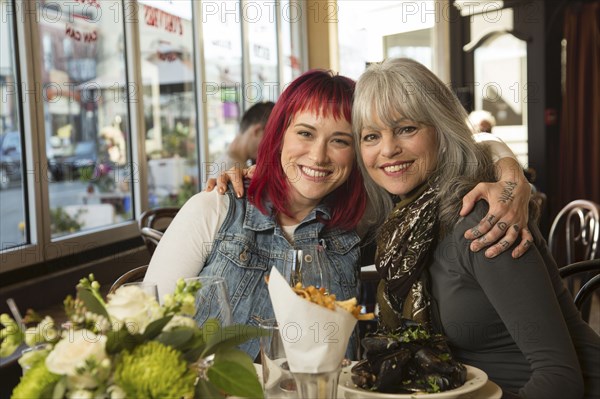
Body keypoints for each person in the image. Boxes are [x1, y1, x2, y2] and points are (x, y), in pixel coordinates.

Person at [352, 58, 600, 398]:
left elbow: (560, 379)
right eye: (371, 136)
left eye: (407, 128)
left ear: (441, 129)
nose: (388, 149)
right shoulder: (401, 226)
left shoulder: (480, 218)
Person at [146, 70, 366, 359]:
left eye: (340, 141)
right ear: (279, 136)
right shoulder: (215, 208)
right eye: (305, 133)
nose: (318, 155)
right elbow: (145, 329)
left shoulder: (356, 232)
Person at [204, 101, 275, 181]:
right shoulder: (227, 168)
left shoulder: (236, 163)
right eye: (270, 139)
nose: (271, 147)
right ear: (257, 131)